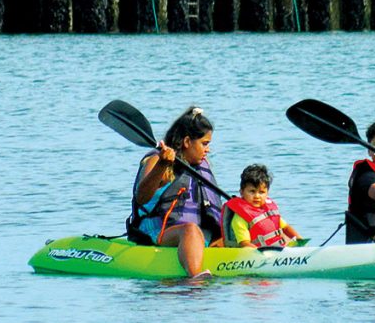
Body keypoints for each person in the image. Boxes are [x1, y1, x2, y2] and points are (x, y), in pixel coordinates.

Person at [126, 106, 224, 278]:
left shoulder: (200, 164)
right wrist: (162, 165)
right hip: (160, 231)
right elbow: (141, 197)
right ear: (187, 142)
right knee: (190, 230)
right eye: (204, 144)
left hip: (200, 233)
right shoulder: (157, 160)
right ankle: (195, 278)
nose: (208, 149)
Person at [221, 164, 301, 248]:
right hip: (254, 254)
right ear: (241, 192)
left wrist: (300, 241)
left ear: (267, 193)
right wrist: (263, 255)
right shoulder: (240, 218)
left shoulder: (269, 211)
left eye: (261, 192)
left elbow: (286, 227)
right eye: (252, 191)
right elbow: (244, 243)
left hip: (276, 250)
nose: (257, 196)